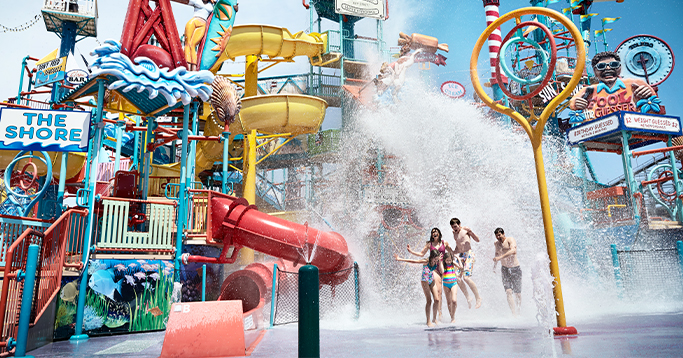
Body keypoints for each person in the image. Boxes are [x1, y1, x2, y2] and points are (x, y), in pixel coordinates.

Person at [569, 51, 657, 123]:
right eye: (601, 66)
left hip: (633, 123)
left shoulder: (634, 83)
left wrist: (648, 93)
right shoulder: (589, 90)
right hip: (600, 130)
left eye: (613, 64)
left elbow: (654, 98)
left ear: (619, 67)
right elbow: (573, 102)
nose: (607, 68)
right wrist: (576, 103)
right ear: (595, 71)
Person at [407, 227, 451, 320]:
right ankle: (439, 313)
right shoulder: (429, 244)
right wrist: (411, 251)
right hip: (434, 269)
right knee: (438, 290)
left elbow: (451, 252)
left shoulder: (444, 243)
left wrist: (458, 257)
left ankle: (445, 312)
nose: (434, 234)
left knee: (444, 291)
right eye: (432, 233)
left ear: (439, 233)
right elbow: (421, 254)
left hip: (443, 268)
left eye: (435, 232)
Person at [394, 250, 442, 327]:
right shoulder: (426, 261)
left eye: (437, 259)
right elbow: (414, 261)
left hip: (431, 280)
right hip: (424, 281)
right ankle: (428, 321)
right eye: (435, 259)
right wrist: (400, 259)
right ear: (431, 257)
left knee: (436, 299)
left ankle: (434, 319)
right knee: (429, 301)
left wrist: (439, 259)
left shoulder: (437, 260)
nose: (436, 261)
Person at [450, 218, 482, 309]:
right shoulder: (454, 233)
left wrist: (471, 232)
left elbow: (477, 240)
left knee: (466, 278)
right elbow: (459, 244)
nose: (454, 228)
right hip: (460, 256)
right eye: (452, 227)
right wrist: (454, 253)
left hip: (468, 254)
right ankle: (468, 296)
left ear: (459, 224)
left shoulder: (465, 229)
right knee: (457, 277)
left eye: (455, 226)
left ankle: (478, 297)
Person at [493, 227, 522, 316]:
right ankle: (513, 313)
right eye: (496, 236)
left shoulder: (510, 240)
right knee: (508, 291)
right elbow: (497, 254)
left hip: (515, 268)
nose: (498, 237)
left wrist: (500, 257)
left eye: (499, 235)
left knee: (517, 292)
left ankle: (519, 310)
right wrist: (495, 266)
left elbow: (513, 251)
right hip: (504, 269)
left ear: (503, 233)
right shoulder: (496, 244)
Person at [184, 0, 217, 71]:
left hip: (202, 25)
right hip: (193, 22)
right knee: (188, 44)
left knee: (193, 45)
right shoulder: (197, 1)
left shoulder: (212, 5)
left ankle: (194, 68)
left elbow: (225, 4)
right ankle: (187, 67)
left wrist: (234, 7)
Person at [440, 250, 466, 323]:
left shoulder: (452, 263)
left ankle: (453, 316)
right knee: (449, 302)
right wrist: (440, 261)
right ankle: (452, 317)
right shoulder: (442, 264)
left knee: (454, 301)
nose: (448, 262)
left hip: (454, 283)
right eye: (447, 260)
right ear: (444, 260)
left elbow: (461, 267)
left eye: (450, 260)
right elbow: (442, 271)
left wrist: (458, 258)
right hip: (445, 284)